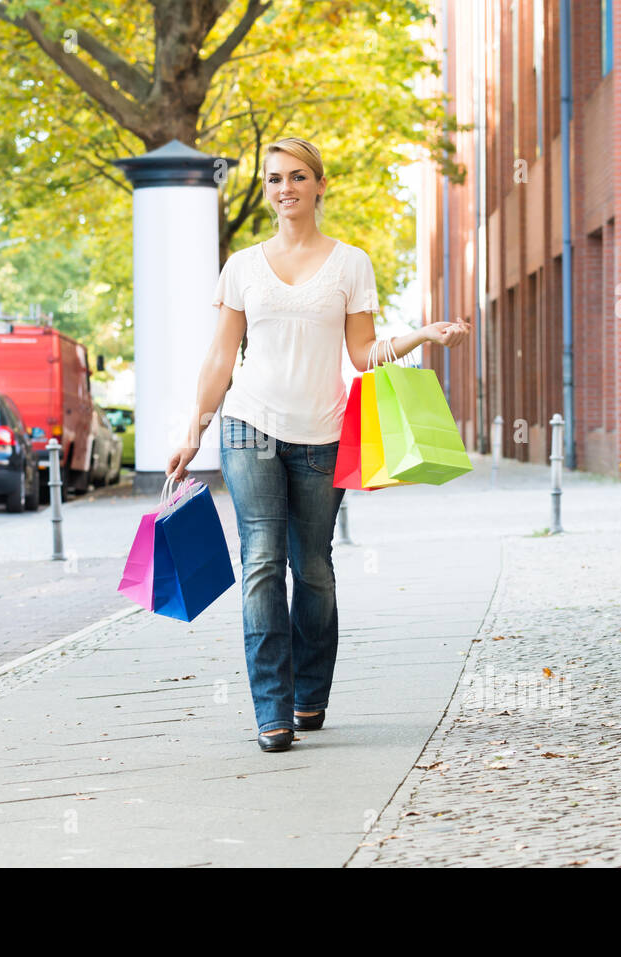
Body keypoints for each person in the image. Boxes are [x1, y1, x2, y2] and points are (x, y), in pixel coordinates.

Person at [166, 136, 470, 753]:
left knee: (313, 570)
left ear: (319, 185)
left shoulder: (351, 263)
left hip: (323, 435)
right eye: (275, 179)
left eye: (298, 177)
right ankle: (270, 711)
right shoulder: (243, 266)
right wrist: (193, 429)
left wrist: (422, 337)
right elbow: (222, 355)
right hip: (248, 425)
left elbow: (362, 355)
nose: (285, 189)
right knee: (259, 564)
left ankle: (310, 693)